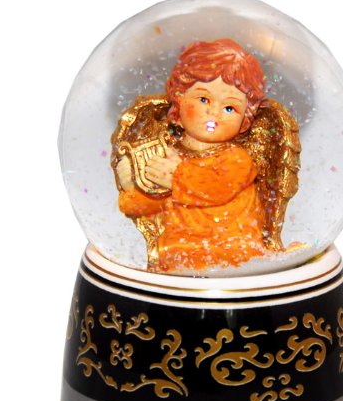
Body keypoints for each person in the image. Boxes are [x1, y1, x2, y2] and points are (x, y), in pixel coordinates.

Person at [114, 39, 269, 273]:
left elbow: (216, 188)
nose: (214, 113)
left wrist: (176, 176)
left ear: (245, 118)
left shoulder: (237, 159)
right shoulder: (173, 155)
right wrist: (132, 187)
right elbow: (157, 201)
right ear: (178, 100)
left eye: (229, 108)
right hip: (179, 256)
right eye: (203, 99)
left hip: (231, 255)